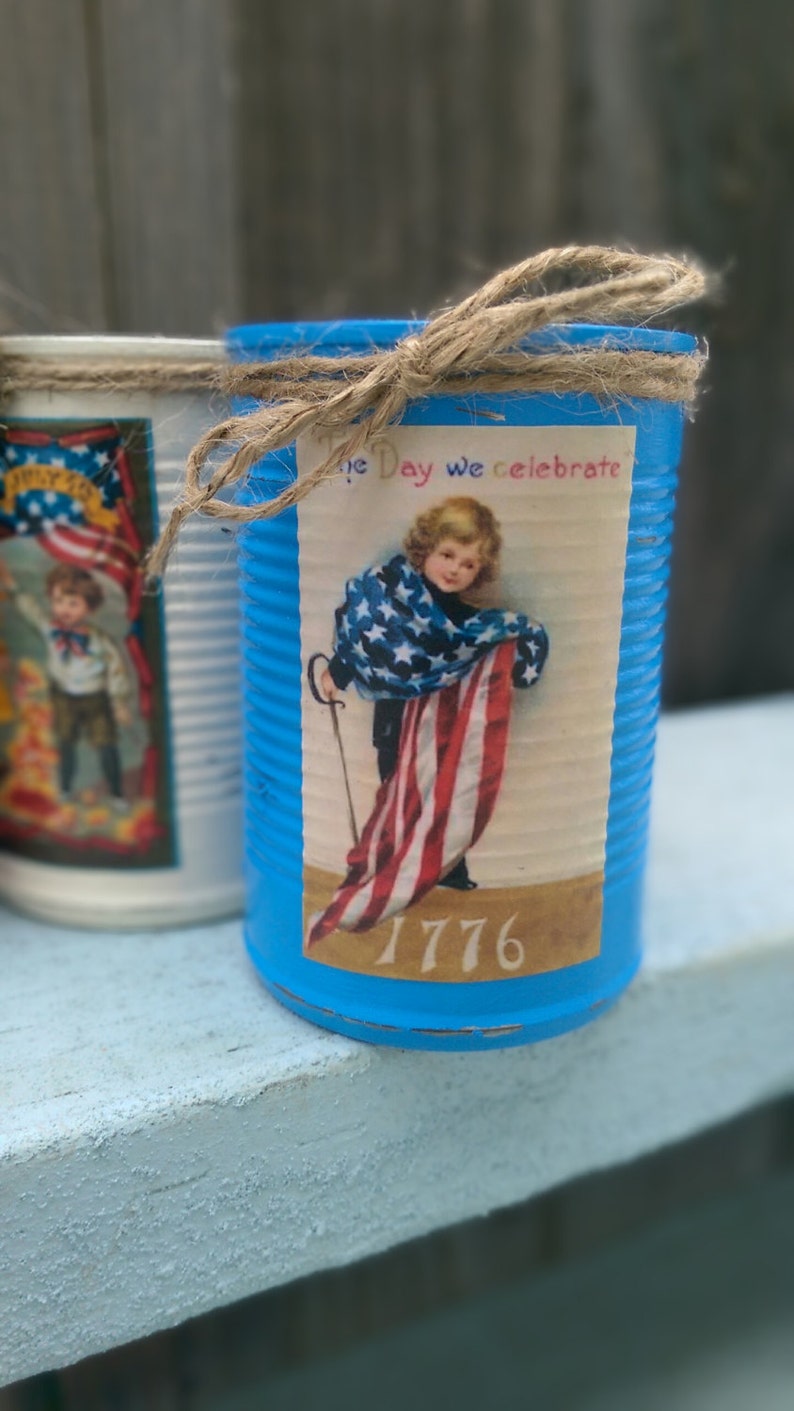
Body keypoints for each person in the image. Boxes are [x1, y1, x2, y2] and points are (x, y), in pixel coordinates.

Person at [311, 496, 548, 938]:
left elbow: (497, 636)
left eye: (469, 563)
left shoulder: (468, 624)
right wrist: (337, 674)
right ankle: (393, 857)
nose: (455, 568)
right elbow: (364, 644)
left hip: (440, 727)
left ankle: (445, 867)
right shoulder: (387, 596)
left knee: (444, 791)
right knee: (395, 786)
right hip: (395, 718)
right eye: (447, 554)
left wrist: (515, 654)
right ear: (425, 550)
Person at [1, 560, 132, 807]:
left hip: (95, 698)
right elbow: (30, 610)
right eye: (59, 601)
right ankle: (64, 787)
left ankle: (116, 792)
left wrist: (119, 702)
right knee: (65, 742)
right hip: (63, 696)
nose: (64, 609)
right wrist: (10, 584)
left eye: (73, 603)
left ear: (89, 608)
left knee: (106, 744)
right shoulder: (51, 629)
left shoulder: (97, 640)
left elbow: (115, 670)